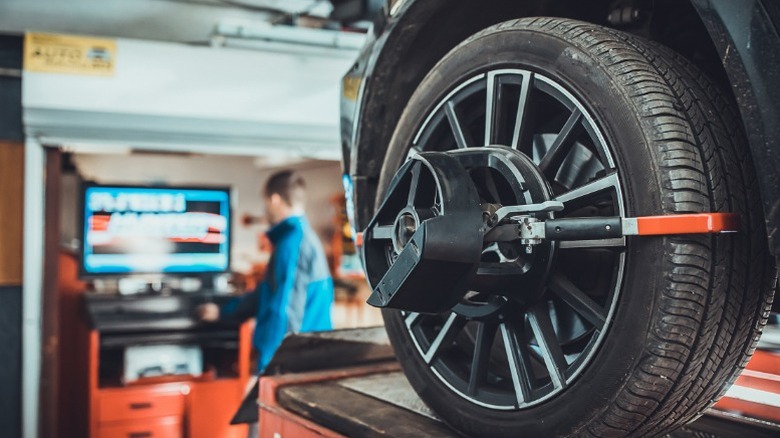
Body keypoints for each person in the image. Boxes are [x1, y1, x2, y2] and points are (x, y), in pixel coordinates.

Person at [197, 170, 334, 374]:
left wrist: (266, 369)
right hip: (304, 357)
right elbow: (267, 293)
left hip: (295, 364)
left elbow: (285, 310)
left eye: (266, 202)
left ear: (275, 200)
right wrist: (223, 311)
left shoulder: (292, 244)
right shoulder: (299, 239)